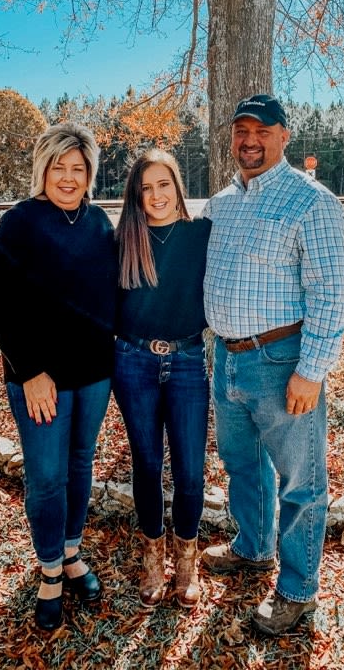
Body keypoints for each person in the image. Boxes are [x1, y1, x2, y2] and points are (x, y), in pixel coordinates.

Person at [201, 94, 344, 635]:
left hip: (283, 360)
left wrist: (311, 371)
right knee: (242, 465)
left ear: (284, 136)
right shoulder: (220, 204)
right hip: (228, 357)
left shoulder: (312, 202)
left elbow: (332, 296)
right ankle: (253, 546)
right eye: (241, 130)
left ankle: (297, 589)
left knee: (301, 482)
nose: (249, 140)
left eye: (261, 130)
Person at [0, 123, 117, 631]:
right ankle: (50, 571)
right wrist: (30, 370)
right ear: (43, 168)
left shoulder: (99, 223)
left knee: (80, 464)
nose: (67, 176)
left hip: (95, 375)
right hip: (41, 381)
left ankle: (73, 552)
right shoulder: (20, 223)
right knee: (45, 475)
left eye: (77, 168)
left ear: (89, 175)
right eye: (58, 166)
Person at [113, 149, 211, 609]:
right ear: (137, 195)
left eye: (164, 184)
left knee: (191, 471)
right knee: (147, 465)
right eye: (146, 188)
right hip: (134, 363)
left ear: (178, 185)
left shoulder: (201, 235)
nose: (156, 195)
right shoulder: (124, 240)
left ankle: (186, 564)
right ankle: (153, 557)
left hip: (189, 361)